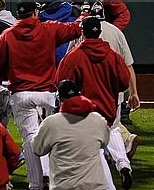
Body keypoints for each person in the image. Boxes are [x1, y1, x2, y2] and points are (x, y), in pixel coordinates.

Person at [0, 0, 82, 190]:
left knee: (31, 138)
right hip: (47, 95)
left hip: (21, 95)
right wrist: (85, 14)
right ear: (35, 13)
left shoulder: (7, 35)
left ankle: (36, 184)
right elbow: (75, 28)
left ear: (18, 14)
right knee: (53, 137)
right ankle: (52, 176)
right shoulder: (49, 29)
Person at [56, 16, 135, 189]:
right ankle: (123, 164)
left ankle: (109, 186)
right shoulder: (113, 55)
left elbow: (61, 82)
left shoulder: (75, 55)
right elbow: (123, 82)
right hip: (109, 107)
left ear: (82, 32)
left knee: (95, 151)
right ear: (100, 31)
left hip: (85, 112)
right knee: (113, 130)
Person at [32, 80, 114, 190]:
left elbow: (37, 149)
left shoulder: (51, 123)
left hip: (63, 186)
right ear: (79, 95)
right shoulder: (98, 119)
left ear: (59, 98)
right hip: (95, 186)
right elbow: (104, 142)